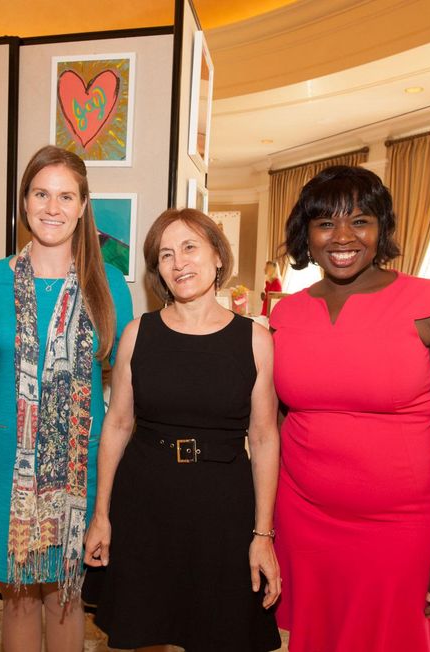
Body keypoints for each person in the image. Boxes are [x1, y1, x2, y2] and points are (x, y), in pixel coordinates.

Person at [270, 165, 430, 651]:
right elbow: (280, 420)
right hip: (306, 519)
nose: (343, 237)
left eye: (361, 221)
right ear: (306, 234)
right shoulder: (285, 313)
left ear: (382, 229)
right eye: (326, 223)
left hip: (404, 523)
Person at [84, 208, 282, 651]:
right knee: (145, 629)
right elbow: (116, 424)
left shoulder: (254, 340)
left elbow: (266, 437)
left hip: (223, 508)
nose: (179, 263)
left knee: (220, 631)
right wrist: (101, 514)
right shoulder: (139, 333)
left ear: (217, 255)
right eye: (166, 255)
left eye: (190, 247)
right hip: (145, 503)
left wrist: (263, 534)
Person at [0, 145, 133, 651]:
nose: (52, 207)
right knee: (16, 594)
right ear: (25, 202)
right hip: (3, 457)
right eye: (41, 193)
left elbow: (123, 377)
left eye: (66, 196)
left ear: (84, 206)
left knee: (66, 592)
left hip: (79, 458)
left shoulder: (108, 283)